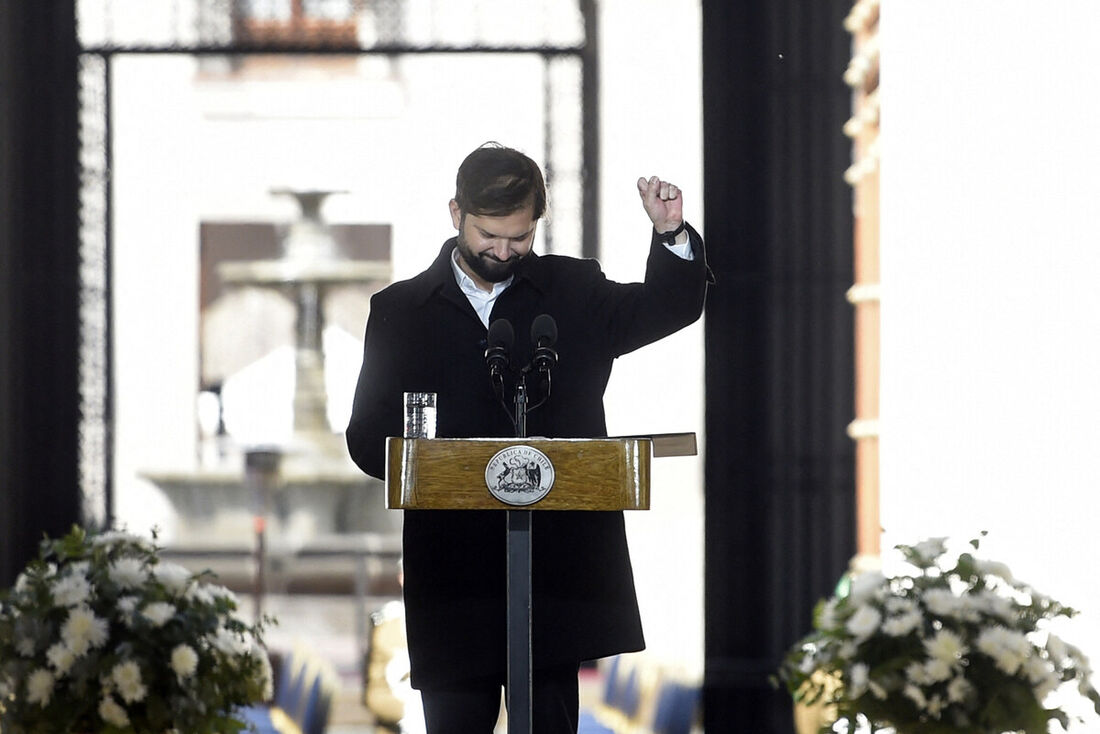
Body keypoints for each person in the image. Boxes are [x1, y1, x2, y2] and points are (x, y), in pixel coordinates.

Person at [346, 142, 709, 733]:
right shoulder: (402, 311)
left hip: (553, 570)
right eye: (489, 234)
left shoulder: (573, 291)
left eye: (520, 237)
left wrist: (670, 235)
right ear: (455, 213)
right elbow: (365, 439)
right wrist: (429, 462)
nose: (504, 251)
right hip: (453, 573)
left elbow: (668, 307)